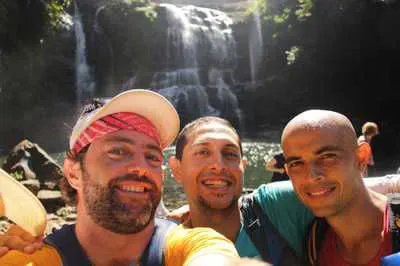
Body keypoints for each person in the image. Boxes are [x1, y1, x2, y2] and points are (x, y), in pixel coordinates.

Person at [0, 89, 238, 266]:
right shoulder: (32, 259)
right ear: (73, 172)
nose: (140, 167)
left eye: (152, 157)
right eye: (117, 151)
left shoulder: (197, 245)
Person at [281, 110, 398, 265]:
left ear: (361, 157)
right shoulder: (314, 242)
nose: (312, 175)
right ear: (288, 171)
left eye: (327, 156)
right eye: (296, 163)